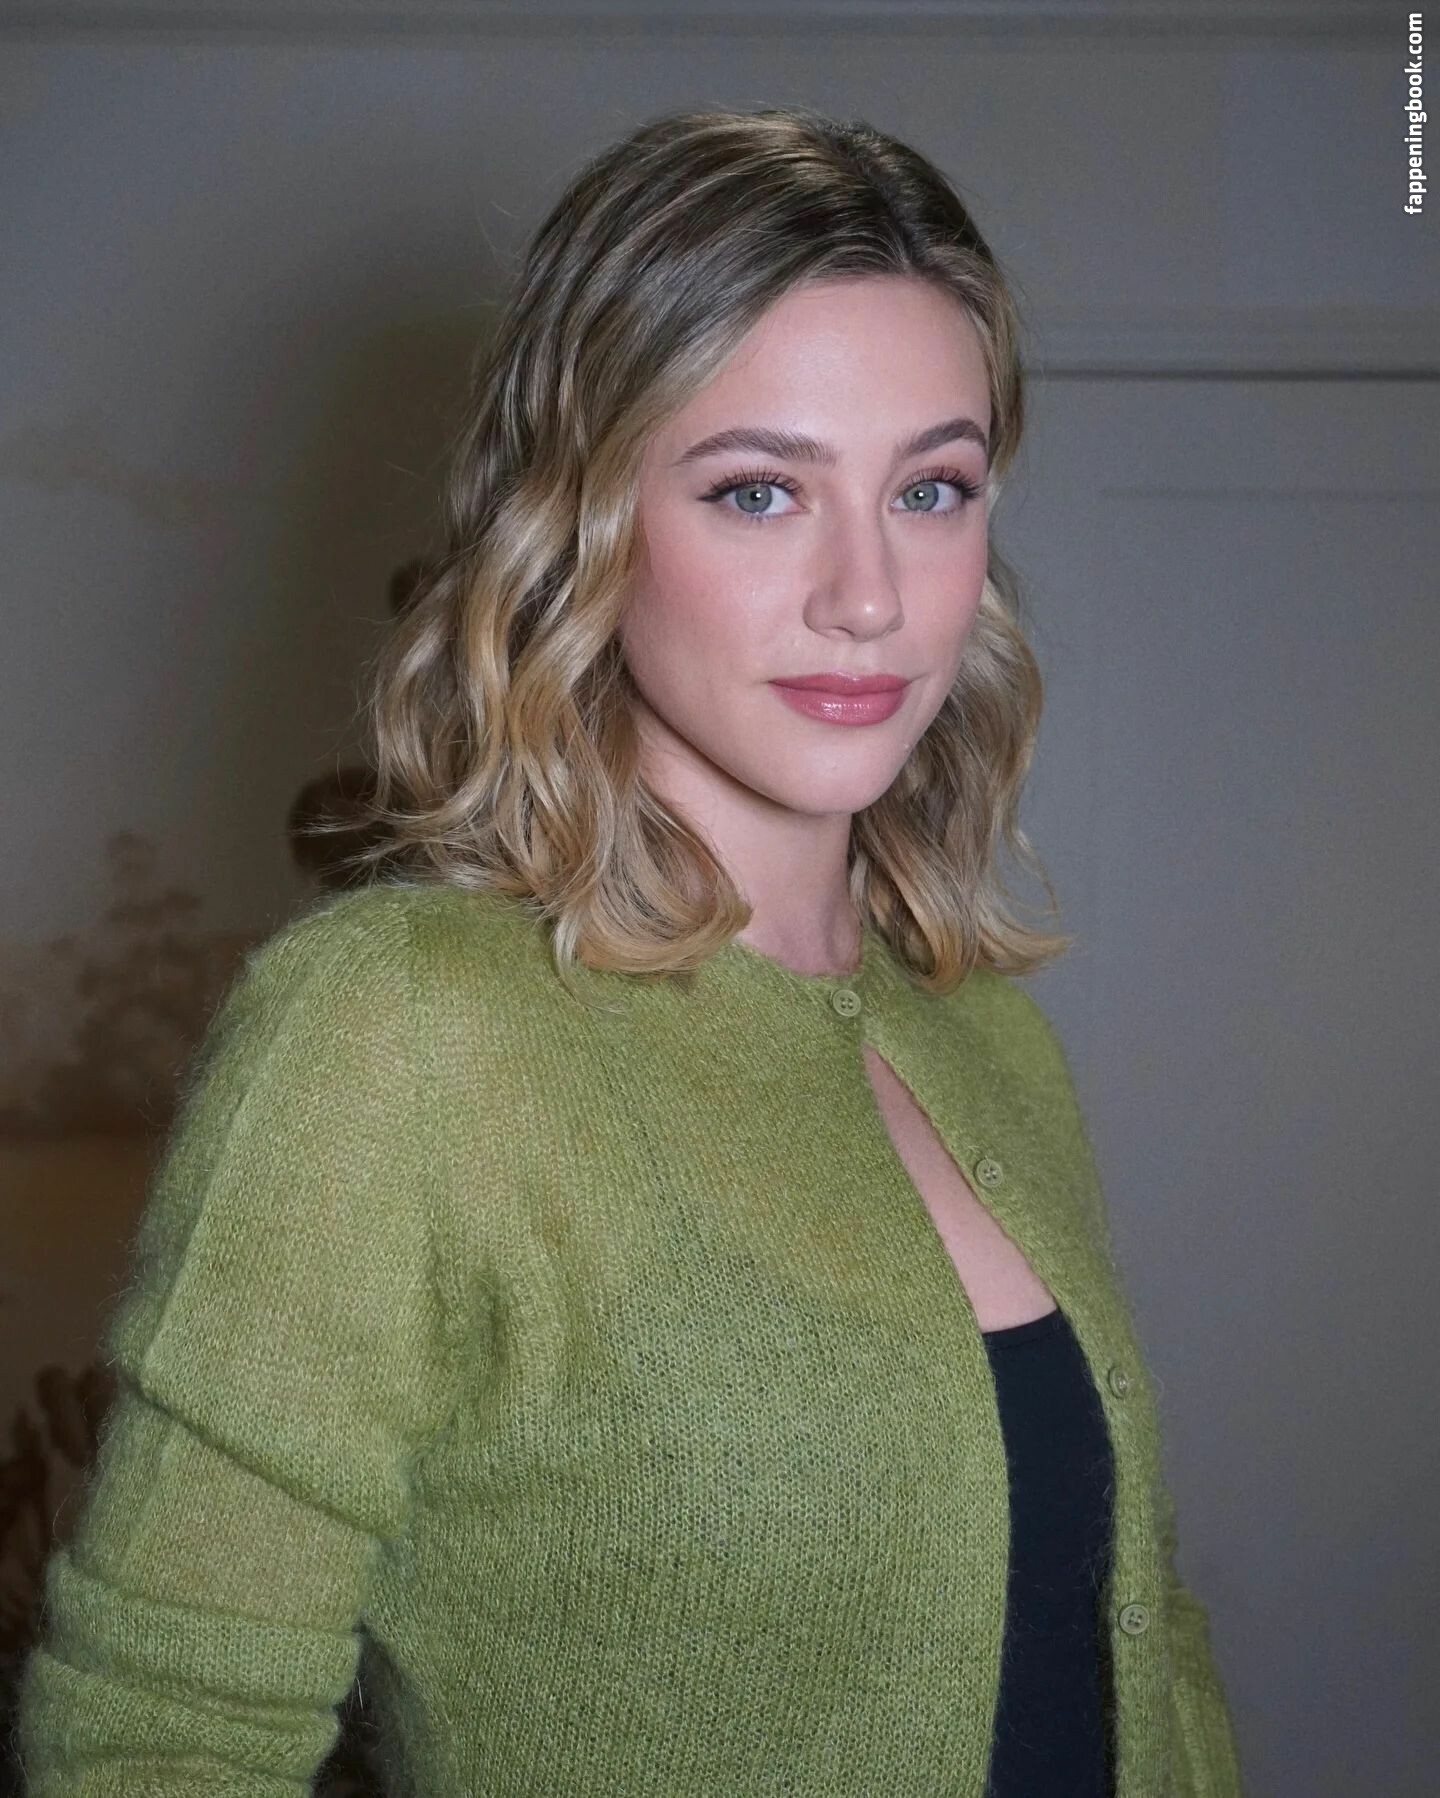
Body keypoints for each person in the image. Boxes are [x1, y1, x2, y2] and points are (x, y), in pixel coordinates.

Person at [16, 105, 1244, 1797]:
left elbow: (1143, 1640)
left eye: (932, 488)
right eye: (759, 490)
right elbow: (154, 1746)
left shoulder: (992, 1043)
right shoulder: (394, 1033)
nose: (870, 593)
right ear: (578, 516)